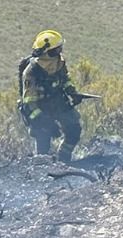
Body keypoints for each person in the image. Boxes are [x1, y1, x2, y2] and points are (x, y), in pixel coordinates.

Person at [18, 29, 85, 161]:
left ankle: (63, 159)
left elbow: (65, 78)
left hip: (58, 102)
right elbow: (29, 102)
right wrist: (45, 121)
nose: (60, 52)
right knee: (43, 138)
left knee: (74, 129)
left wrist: (72, 91)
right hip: (39, 109)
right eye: (57, 49)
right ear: (48, 51)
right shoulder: (31, 71)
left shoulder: (59, 61)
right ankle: (41, 168)